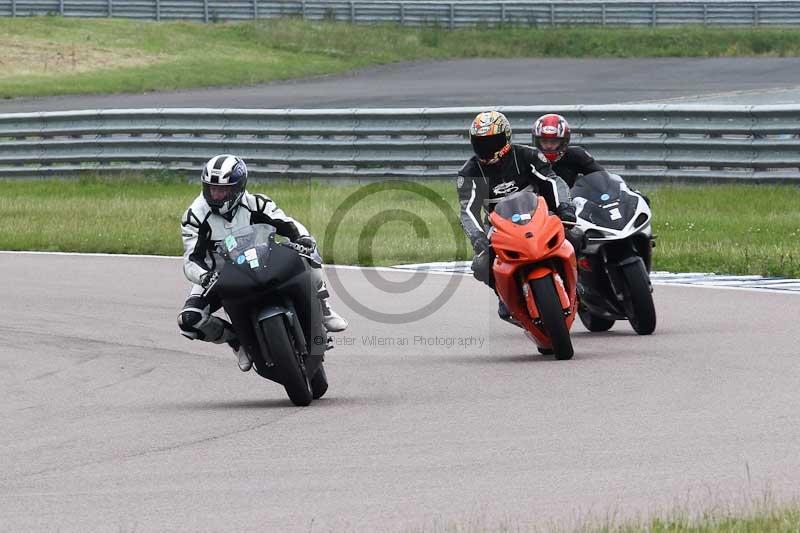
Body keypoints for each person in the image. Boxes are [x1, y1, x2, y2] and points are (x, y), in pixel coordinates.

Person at [177, 154, 348, 372]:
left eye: (223, 190)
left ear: (238, 187)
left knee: (307, 255)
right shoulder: (195, 216)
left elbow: (289, 224)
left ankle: (324, 309)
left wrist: (302, 239)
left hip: (263, 260)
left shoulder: (256, 203)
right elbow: (191, 258)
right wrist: (204, 276)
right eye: (212, 189)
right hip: (219, 275)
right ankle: (236, 341)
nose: (217, 195)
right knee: (189, 320)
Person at [457, 111, 578, 322]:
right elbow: (468, 209)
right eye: (480, 143)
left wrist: (565, 208)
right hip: (500, 226)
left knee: (577, 236)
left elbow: (553, 181)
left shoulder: (527, 156)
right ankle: (505, 297)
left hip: (539, 216)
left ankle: (580, 283)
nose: (486, 148)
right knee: (482, 265)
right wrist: (477, 237)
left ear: (506, 137)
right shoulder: (469, 172)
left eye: (492, 141)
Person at [532, 113, 604, 188]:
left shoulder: (575, 156)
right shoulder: (527, 158)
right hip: (537, 198)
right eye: (544, 141)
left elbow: (602, 178)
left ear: (564, 142)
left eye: (553, 141)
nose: (549, 146)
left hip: (569, 198)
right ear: (537, 142)